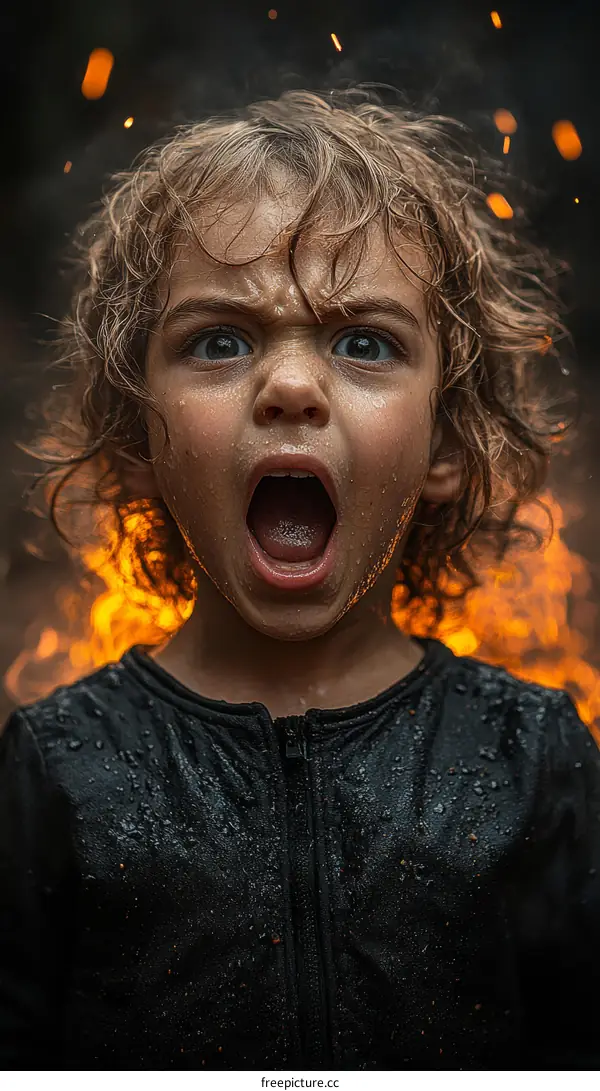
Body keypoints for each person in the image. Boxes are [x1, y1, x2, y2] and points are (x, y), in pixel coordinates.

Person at [1, 87, 600, 1072]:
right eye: (220, 340)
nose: (289, 385)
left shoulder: (531, 757)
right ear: (137, 437)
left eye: (364, 341)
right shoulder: (58, 764)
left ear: (448, 440)